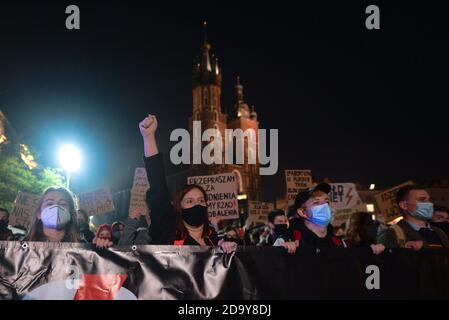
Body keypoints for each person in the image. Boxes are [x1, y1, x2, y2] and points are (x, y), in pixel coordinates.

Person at [120, 115, 236, 253]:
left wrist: (229, 250)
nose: (197, 204)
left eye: (201, 200)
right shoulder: (168, 231)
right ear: (179, 206)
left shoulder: (214, 239)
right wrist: (149, 137)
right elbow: (158, 185)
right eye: (190, 201)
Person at [377, 185, 449, 250]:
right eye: (422, 200)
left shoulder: (440, 232)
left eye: (429, 200)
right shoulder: (391, 234)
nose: (430, 203)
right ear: (404, 205)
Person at [291, 183, 345, 250]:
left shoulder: (337, 241)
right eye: (316, 203)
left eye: (327, 202)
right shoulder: (292, 240)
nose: (325, 206)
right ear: (302, 212)